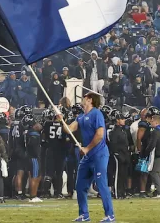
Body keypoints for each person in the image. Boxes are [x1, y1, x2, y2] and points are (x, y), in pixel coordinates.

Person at [59, 92, 115, 222]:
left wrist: (87, 148)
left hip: (99, 154)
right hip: (88, 156)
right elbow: (68, 129)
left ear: (90, 100)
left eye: (84, 97)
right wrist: (61, 119)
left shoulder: (96, 113)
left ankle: (110, 215)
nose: (82, 99)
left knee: (101, 185)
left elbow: (100, 134)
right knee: (80, 186)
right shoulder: (81, 117)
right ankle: (84, 215)